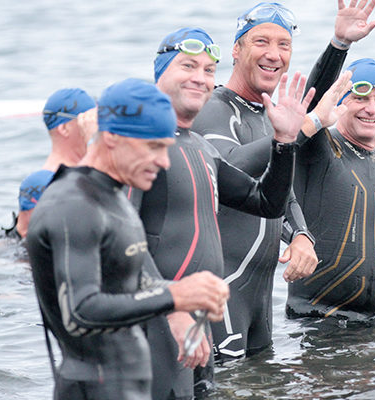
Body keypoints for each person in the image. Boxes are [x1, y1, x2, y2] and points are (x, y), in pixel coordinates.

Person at [129, 27, 314, 399]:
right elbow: (125, 243)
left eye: (208, 70)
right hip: (157, 323)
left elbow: (266, 203)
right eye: (188, 66)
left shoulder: (199, 147)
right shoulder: (138, 145)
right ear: (160, 72)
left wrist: (283, 143)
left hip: (194, 323)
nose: (200, 78)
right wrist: (171, 308)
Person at [191, 0, 375, 360]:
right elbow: (228, 168)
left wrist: (300, 234)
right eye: (261, 42)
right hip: (221, 294)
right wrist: (307, 126)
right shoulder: (215, 109)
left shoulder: (267, 117)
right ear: (236, 49)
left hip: (258, 302)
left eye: (284, 45)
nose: (273, 54)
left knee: (266, 382)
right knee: (226, 384)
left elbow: (278, 190)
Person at [25, 78, 229, 400]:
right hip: (91, 389)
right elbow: (80, 311)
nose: (164, 161)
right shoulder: (72, 205)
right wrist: (174, 296)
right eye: (153, 147)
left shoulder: (112, 196)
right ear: (112, 138)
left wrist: (192, 295)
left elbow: (131, 282)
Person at [287, 58, 375, 321]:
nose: (371, 109)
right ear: (339, 102)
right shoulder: (321, 149)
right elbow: (314, 102)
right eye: (360, 99)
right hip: (315, 321)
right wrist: (340, 44)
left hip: (372, 323)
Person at [15, 88, 97, 238]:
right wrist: (93, 140)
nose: (95, 127)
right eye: (86, 121)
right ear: (64, 128)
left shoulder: (92, 173)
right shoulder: (41, 183)